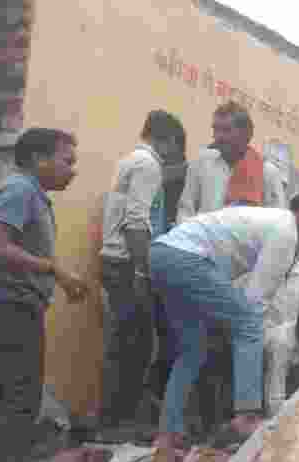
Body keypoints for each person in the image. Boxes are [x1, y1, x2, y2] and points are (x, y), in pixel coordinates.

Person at [149, 193, 299, 462]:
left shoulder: (267, 222)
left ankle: (165, 436)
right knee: (249, 322)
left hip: (162, 254)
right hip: (187, 258)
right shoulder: (285, 232)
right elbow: (255, 301)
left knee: (193, 351)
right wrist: (252, 344)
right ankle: (246, 416)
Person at [0, 128, 86, 462]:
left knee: (8, 395)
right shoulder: (20, 192)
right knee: (21, 399)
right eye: (66, 160)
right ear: (39, 159)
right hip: (11, 306)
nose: (73, 170)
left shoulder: (28, 193)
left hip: (9, 303)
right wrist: (53, 268)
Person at [96, 110, 188, 441]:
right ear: (171, 142)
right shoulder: (148, 166)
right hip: (127, 264)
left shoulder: (131, 161)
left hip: (115, 261)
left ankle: (111, 419)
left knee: (124, 342)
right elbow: (137, 221)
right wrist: (142, 269)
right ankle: (117, 423)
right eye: (178, 149)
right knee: (135, 344)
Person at [177, 101, 289, 219]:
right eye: (216, 130)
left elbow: (276, 220)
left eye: (226, 130)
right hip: (201, 236)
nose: (218, 136)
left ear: (246, 134)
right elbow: (185, 209)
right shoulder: (201, 162)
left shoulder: (268, 173)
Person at [234, 260, 299, 414]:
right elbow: (239, 295)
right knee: (273, 385)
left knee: (278, 381)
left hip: (293, 339)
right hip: (255, 339)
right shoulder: (259, 267)